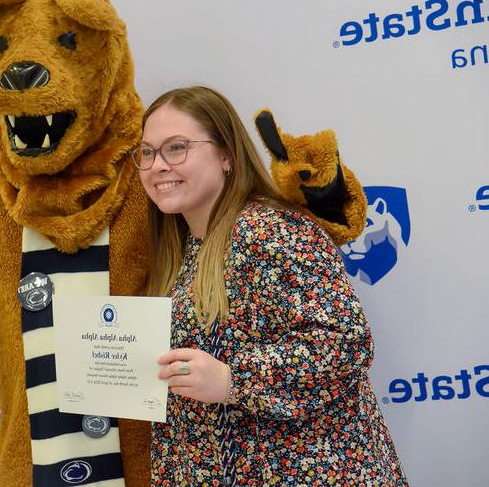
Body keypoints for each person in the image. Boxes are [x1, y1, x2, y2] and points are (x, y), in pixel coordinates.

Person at [131, 86, 408, 486]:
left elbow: (345, 342)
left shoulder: (270, 229)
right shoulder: (181, 253)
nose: (158, 165)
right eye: (147, 152)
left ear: (226, 155)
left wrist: (232, 379)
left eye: (177, 148)